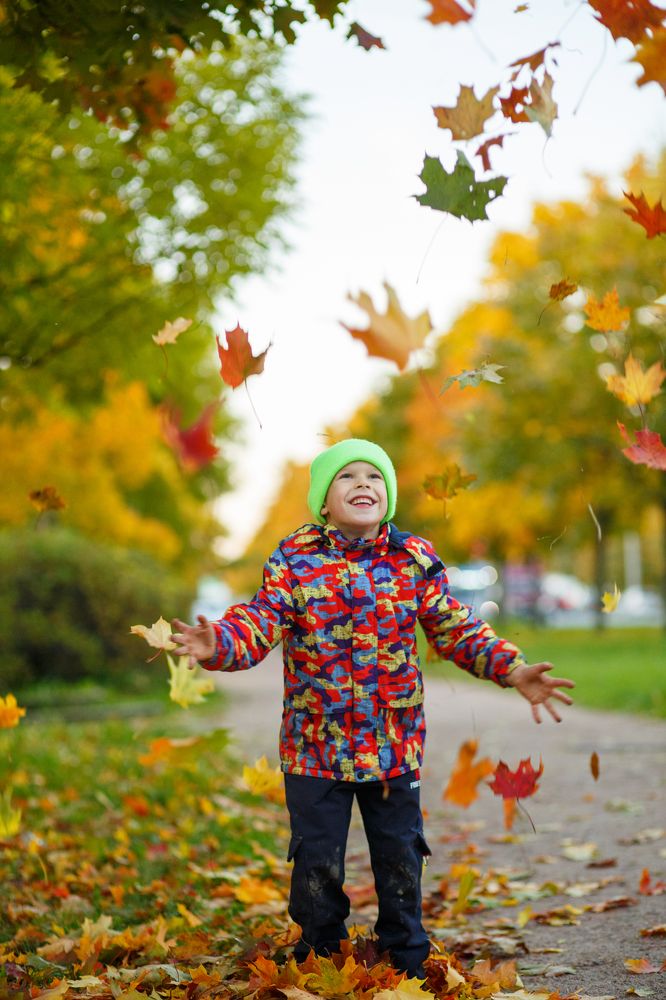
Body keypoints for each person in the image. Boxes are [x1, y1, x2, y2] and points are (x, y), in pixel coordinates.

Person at [171, 439, 574, 978]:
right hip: (316, 748)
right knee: (317, 863)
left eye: (375, 477)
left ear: (388, 495)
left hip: (394, 744)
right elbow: (259, 620)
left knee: (400, 856)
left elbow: (456, 628)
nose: (364, 484)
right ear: (323, 501)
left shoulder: (413, 560)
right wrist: (218, 642)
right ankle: (322, 954)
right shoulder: (294, 560)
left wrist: (510, 668)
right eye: (347, 477)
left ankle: (406, 952)